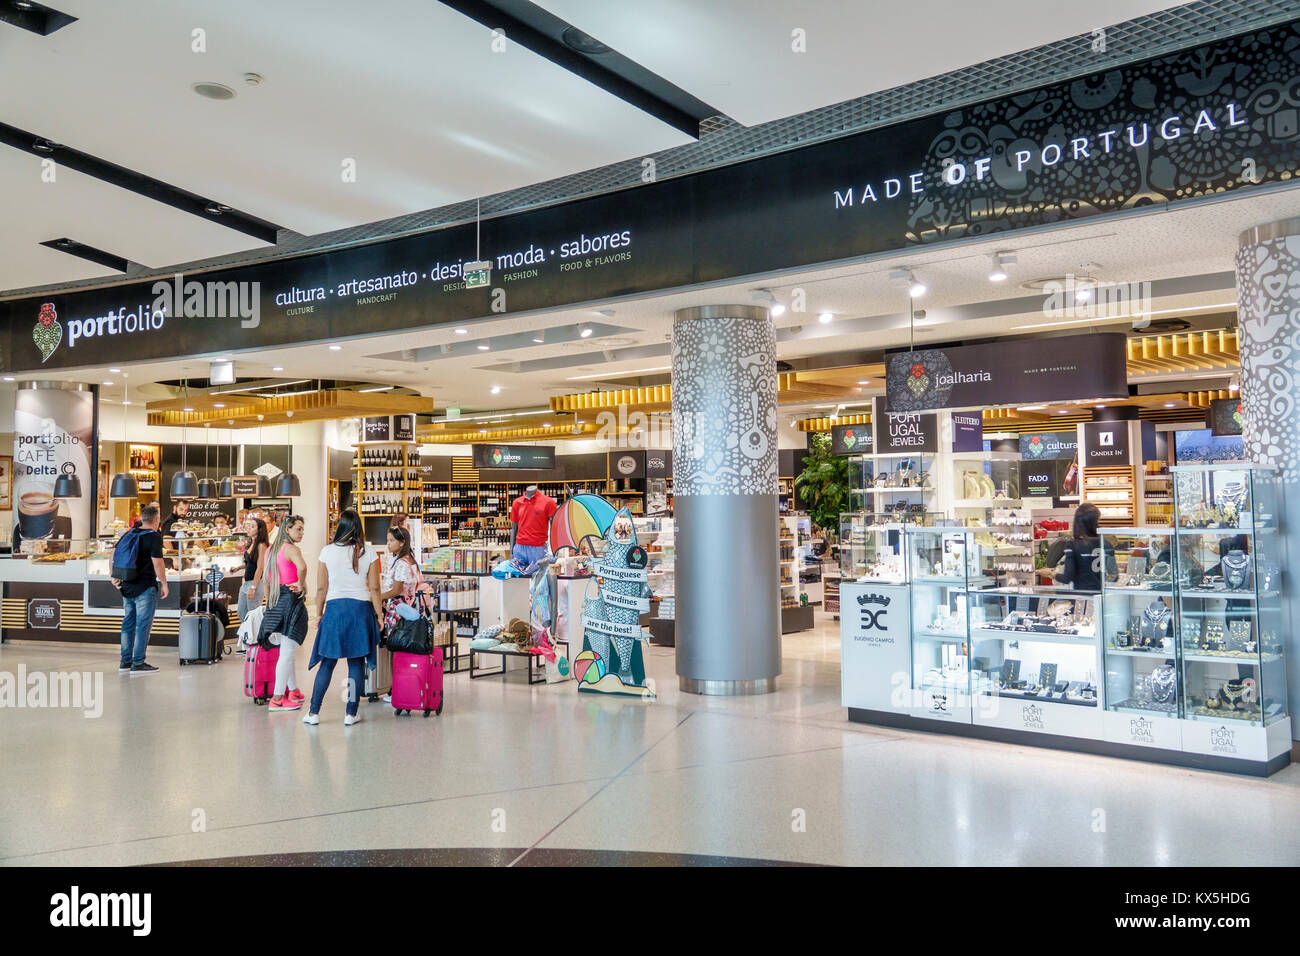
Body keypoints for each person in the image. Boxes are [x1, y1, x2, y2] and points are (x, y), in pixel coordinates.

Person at [304, 510, 382, 726]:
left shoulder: (327, 551)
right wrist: (380, 614)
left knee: (327, 662)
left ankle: (313, 713)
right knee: (356, 663)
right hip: (360, 609)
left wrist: (319, 613)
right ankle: (350, 713)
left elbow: (321, 588)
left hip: (335, 610)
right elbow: (375, 587)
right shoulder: (369, 552)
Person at [111, 503, 168, 675]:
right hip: (145, 586)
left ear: (142, 519)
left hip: (126, 585)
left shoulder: (129, 533)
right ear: (156, 520)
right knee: (143, 625)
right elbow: (157, 563)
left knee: (128, 623)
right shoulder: (154, 536)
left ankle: (125, 661)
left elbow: (112, 553)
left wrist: (112, 575)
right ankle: (138, 662)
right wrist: (164, 583)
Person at [264, 516, 309, 712]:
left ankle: (293, 691)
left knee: (285, 648)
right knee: (288, 651)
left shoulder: (271, 550)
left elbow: (267, 579)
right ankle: (277, 698)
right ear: (288, 529)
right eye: (298, 529)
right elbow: (303, 567)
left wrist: (268, 603)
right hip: (291, 599)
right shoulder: (291, 549)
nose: (301, 533)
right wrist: (300, 584)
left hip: (276, 600)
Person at [378, 525, 421, 703]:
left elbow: (396, 590)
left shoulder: (402, 563)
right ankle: (404, 688)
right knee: (405, 650)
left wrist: (378, 596)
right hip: (410, 610)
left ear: (401, 542)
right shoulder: (409, 560)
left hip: (399, 611)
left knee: (397, 649)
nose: (388, 544)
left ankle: (397, 690)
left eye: (391, 541)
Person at [1055, 502, 1105, 592]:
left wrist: (1052, 574)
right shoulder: (1105, 543)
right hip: (1103, 596)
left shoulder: (1073, 545)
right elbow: (1113, 575)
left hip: (1083, 597)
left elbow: (1067, 578)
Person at [509, 484, 556, 567]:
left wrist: (554, 551)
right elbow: (514, 528)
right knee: (518, 578)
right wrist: (511, 551)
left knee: (539, 577)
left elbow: (555, 528)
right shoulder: (517, 503)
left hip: (538, 548)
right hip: (519, 548)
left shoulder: (548, 502)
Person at [239, 516, 271, 623]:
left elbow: (260, 567)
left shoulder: (261, 545)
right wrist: (238, 567)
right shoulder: (251, 543)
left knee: (253, 615)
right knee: (242, 613)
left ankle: (255, 638)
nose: (249, 528)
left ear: (259, 530)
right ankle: (246, 636)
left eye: (252, 526)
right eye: (248, 526)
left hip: (255, 583)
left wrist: (253, 587)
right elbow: (250, 563)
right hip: (246, 583)